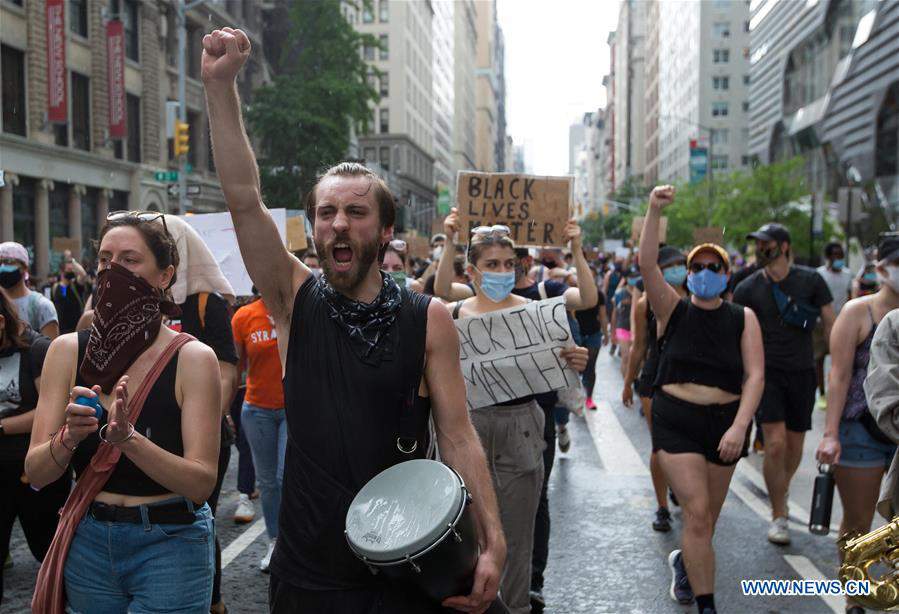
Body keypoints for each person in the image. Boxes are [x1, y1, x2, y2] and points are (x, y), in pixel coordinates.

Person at [203, 27, 505, 614]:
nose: (338, 223)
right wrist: (220, 87)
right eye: (326, 212)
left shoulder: (430, 318)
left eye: (356, 212)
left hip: (410, 559)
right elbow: (244, 197)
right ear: (314, 226)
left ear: (386, 230)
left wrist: (491, 537)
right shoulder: (293, 301)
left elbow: (459, 434)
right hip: (312, 567)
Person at [25, 212, 222, 613]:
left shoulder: (193, 358)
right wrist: (69, 438)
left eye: (130, 260)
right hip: (91, 542)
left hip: (171, 542)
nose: (113, 271)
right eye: (104, 259)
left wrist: (128, 440)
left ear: (165, 275)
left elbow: (200, 483)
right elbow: (38, 472)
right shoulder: (66, 351)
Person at [438, 212, 590, 614]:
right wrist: (450, 238)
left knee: (516, 538)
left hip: (523, 426)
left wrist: (575, 358)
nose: (502, 272)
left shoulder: (536, 311)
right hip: (465, 429)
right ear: (472, 271)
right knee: (463, 534)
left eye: (509, 265)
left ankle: (517, 607)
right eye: (492, 265)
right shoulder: (452, 315)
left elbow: (588, 301)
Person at [640, 186, 764, 614]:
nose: (706, 271)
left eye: (715, 266)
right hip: (676, 419)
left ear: (727, 275)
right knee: (694, 512)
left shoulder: (743, 318)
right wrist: (654, 209)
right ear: (689, 272)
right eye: (699, 266)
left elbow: (755, 376)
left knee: (706, 519)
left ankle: (684, 563)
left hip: (725, 424)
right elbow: (646, 263)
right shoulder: (671, 308)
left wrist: (739, 426)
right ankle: (707, 606)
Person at [733, 222, 835, 545]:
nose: (761, 250)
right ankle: (779, 513)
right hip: (765, 376)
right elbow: (734, 333)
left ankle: (781, 487)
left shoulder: (812, 281)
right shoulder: (746, 287)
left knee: (794, 448)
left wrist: (837, 369)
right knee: (774, 444)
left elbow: (832, 325)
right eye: (758, 244)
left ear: (785, 246)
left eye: (767, 244)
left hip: (802, 373)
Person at [817, 235, 899, 614]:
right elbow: (839, 376)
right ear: (881, 268)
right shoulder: (857, 312)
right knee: (857, 521)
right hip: (859, 430)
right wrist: (831, 434)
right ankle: (854, 600)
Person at [0, 293, 63, 605]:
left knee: (49, 549)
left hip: (35, 469)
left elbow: (51, 410)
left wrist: (2, 427)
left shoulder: (37, 349)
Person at [622, 246, 688, 532]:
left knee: (687, 444)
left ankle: (680, 485)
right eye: (670, 265)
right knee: (660, 445)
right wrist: (628, 382)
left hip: (691, 381)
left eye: (681, 264)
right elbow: (639, 347)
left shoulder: (701, 299)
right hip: (655, 377)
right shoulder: (645, 304)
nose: (677, 269)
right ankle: (662, 507)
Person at [232, 286, 286, 571]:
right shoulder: (244, 316)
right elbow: (235, 367)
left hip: (293, 408)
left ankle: (295, 542)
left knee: (285, 475)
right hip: (256, 409)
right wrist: (224, 408)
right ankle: (274, 542)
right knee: (267, 482)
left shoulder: (294, 311)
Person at [815, 242, 853, 404]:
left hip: (842, 323)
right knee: (819, 358)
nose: (838, 258)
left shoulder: (847, 274)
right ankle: (822, 394)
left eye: (841, 255)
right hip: (820, 323)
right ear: (828, 256)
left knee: (841, 360)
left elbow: (850, 296)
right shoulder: (819, 274)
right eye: (835, 255)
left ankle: (836, 392)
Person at [0, 243, 59, 339]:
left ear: (24, 267)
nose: (2, 267)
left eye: (8, 261)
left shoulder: (41, 306)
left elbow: (52, 350)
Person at [50, 253, 90, 335]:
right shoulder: (56, 287)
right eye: (68, 269)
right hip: (61, 330)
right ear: (62, 271)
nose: (71, 271)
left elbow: (83, 274)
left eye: (72, 269)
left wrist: (72, 261)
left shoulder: (75, 285)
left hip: (76, 329)